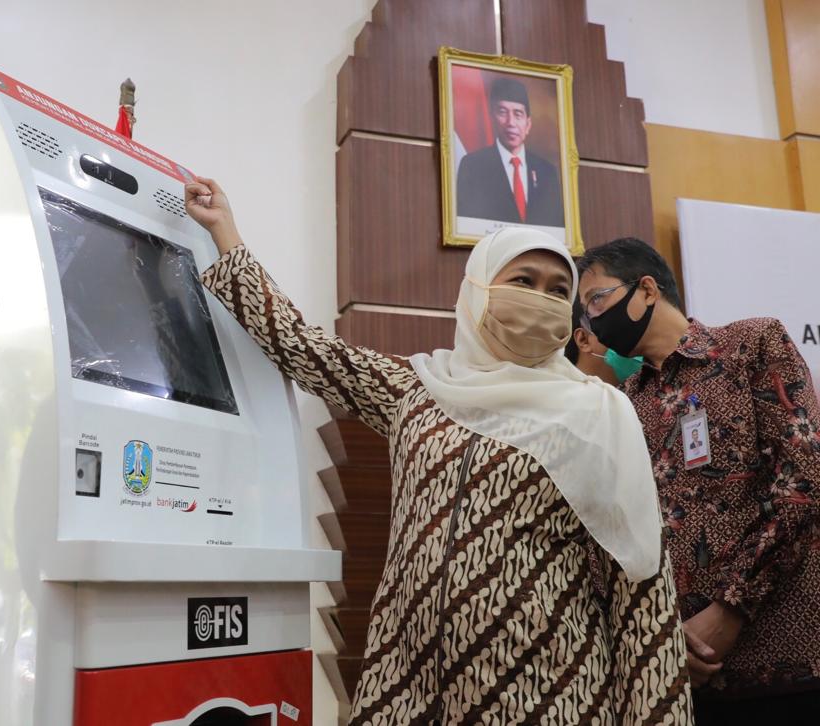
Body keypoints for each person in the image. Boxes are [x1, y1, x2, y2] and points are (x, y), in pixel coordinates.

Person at [184, 177, 692, 724]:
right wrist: (226, 235)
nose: (541, 301)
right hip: (406, 691)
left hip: (549, 694)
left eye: (555, 291)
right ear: (477, 290)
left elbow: (643, 597)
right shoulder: (419, 391)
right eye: (523, 280)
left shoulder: (598, 416)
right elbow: (308, 350)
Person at [577, 237, 820, 724]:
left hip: (783, 664)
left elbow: (804, 484)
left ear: (646, 290)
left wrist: (731, 609)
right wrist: (663, 635)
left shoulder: (751, 345)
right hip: (682, 679)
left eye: (597, 299)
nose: (592, 320)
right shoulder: (625, 402)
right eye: (584, 312)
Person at [456, 77, 564, 226]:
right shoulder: (473, 165)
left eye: (518, 114)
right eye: (503, 112)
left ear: (528, 124)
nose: (511, 123)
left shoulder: (547, 171)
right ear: (492, 118)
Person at [564, 298, 643, 387]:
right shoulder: (557, 397)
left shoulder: (628, 396)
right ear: (583, 340)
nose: (636, 342)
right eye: (621, 330)